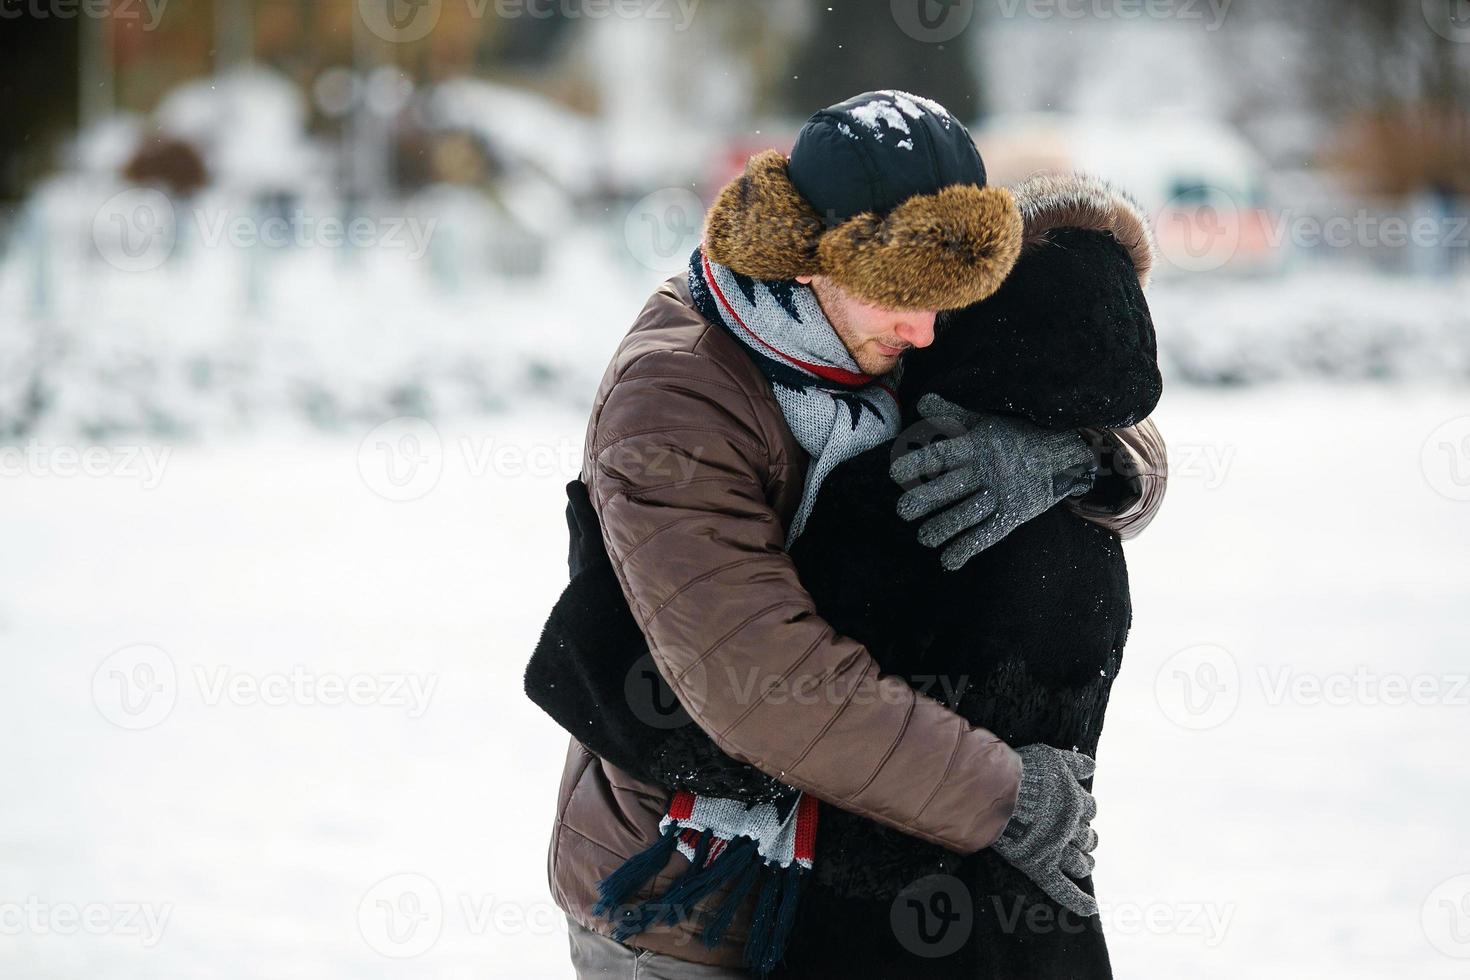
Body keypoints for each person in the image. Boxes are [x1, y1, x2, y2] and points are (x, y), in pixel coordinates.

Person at [544, 90, 1165, 978]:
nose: (926, 332)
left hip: (857, 881)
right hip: (690, 898)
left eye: (950, 300)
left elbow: (1098, 382)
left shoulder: (895, 324)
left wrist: (1070, 454)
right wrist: (1008, 797)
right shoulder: (676, 399)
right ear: (802, 260)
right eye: (900, 299)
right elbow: (762, 679)